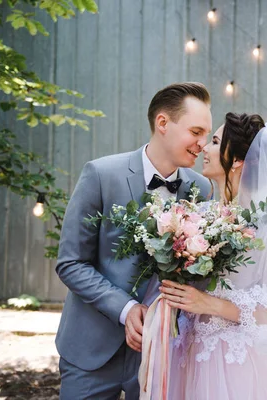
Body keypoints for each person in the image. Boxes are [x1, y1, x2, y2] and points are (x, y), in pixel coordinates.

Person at [55, 82, 213, 399]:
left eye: (207, 135)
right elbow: (71, 263)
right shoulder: (100, 174)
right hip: (92, 350)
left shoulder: (201, 189)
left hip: (163, 351)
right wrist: (126, 309)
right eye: (196, 132)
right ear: (163, 123)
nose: (203, 144)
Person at [159, 112, 267, 399]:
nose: (204, 148)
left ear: (237, 160)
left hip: (232, 360)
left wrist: (208, 304)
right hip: (189, 351)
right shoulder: (198, 216)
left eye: (214, 142)